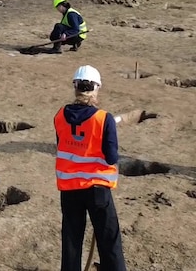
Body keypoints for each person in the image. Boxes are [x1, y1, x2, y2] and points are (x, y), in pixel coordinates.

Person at [55, 65, 126, 271]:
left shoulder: (60, 115)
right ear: (96, 88)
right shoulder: (104, 119)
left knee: (71, 240)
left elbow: (62, 145)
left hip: (69, 189)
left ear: (75, 87)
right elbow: (111, 157)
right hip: (97, 191)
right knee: (109, 241)